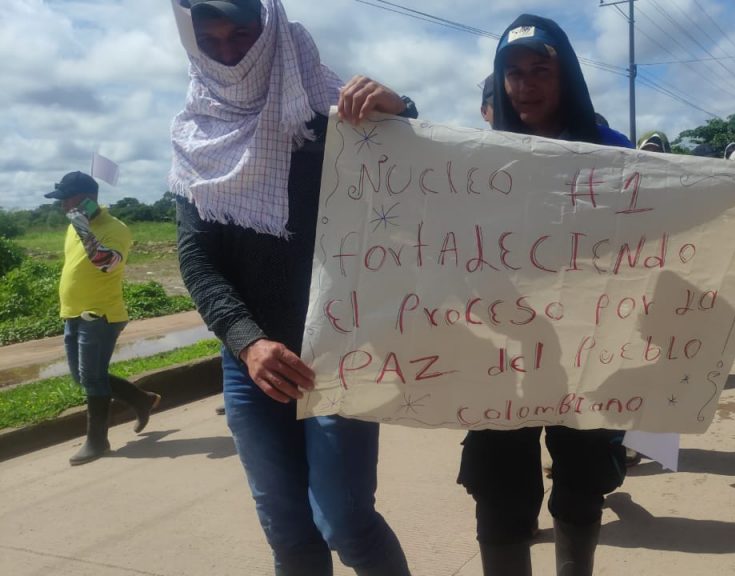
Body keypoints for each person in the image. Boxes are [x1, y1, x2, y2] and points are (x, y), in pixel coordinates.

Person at [170, 1, 416, 574]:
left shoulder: (335, 115)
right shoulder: (193, 137)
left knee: (346, 523)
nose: (229, 51)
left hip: (340, 347)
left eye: (243, 34)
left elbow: (418, 178)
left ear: (271, 31)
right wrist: (248, 342)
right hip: (253, 362)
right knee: (288, 532)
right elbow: (197, 258)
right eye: (212, 40)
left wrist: (401, 110)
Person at [456, 14, 631, 576]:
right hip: (501, 353)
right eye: (513, 73)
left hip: (587, 347)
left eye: (540, 70)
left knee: (581, 484)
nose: (526, 85)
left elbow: (678, 215)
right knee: (500, 491)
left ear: (568, 76)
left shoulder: (612, 151)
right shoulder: (475, 163)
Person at [46, 171, 160, 466]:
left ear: (86, 199)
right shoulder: (74, 226)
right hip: (72, 313)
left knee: (92, 378)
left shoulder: (116, 228)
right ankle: (141, 399)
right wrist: (80, 227)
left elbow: (108, 265)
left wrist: (86, 231)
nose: (62, 207)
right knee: (82, 376)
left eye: (66, 200)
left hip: (101, 315)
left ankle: (97, 441)